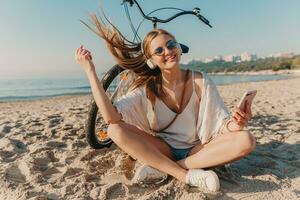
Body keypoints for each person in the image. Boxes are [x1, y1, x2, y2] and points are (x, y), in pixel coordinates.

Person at [75, 15, 256, 192]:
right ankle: (185, 175)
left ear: (178, 47)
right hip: (164, 149)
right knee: (114, 129)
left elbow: (220, 126)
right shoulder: (147, 88)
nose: (168, 51)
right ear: (151, 61)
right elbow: (111, 117)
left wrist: (236, 123)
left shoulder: (200, 80)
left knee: (246, 139)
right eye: (159, 51)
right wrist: (90, 71)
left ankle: (165, 168)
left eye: (171, 45)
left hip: (198, 150)